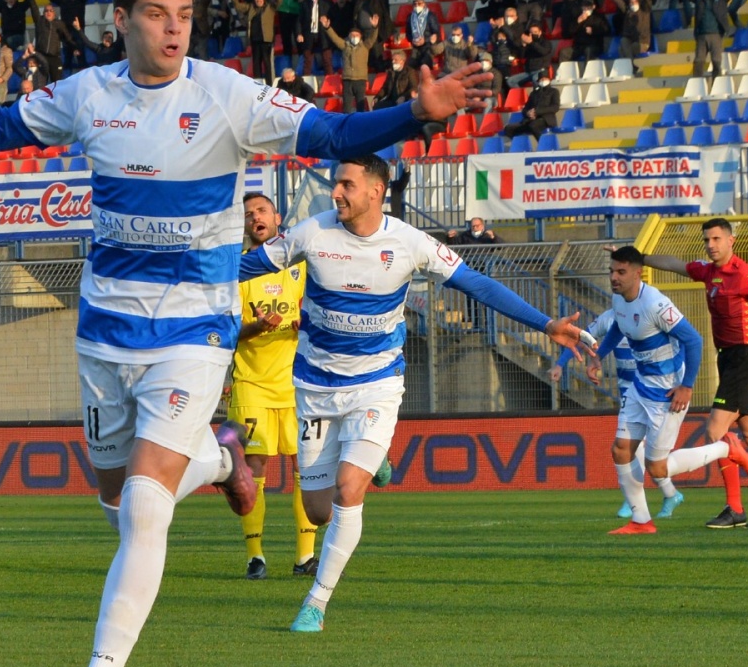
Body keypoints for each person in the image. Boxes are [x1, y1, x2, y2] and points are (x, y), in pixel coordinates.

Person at [0, 0, 496, 667]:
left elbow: (333, 132)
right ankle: (221, 463)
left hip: (194, 330)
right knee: (117, 503)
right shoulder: (88, 95)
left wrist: (414, 113)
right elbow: (0, 127)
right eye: (156, 12)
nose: (174, 27)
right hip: (105, 331)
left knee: (146, 508)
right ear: (121, 21)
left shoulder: (228, 96)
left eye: (184, 13)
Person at [239, 155, 590, 629]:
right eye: (335, 184)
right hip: (316, 385)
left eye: (346, 184)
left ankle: (316, 602)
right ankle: (374, 460)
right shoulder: (311, 234)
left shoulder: (410, 242)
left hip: (377, 382)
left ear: (375, 191)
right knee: (318, 511)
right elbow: (242, 268)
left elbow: (477, 284)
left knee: (348, 490)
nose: (336, 193)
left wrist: (546, 323)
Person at [627, 219, 748, 528]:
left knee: (715, 431)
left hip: (745, 357)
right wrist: (639, 258)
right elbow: (674, 264)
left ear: (731, 240)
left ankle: (735, 508)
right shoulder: (707, 271)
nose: (711, 245)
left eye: (716, 239)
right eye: (707, 240)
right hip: (727, 357)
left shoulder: (747, 275)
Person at [593, 247, 748, 536]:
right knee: (620, 449)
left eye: (621, 272)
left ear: (637, 272)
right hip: (642, 384)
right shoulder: (619, 298)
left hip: (667, 392)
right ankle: (641, 521)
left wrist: (687, 386)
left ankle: (726, 447)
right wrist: (599, 355)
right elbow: (619, 325)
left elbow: (693, 340)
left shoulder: (656, 303)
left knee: (657, 469)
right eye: (611, 271)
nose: (614, 278)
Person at [230, 193, 317, 580]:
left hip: (297, 383)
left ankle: (305, 557)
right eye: (249, 214)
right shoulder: (238, 272)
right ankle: (255, 556)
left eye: (261, 211)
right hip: (251, 382)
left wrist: (308, 324)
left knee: (308, 467)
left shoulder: (299, 267)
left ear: (277, 218)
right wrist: (255, 327)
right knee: (253, 469)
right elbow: (225, 330)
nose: (255, 218)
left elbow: (319, 311)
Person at [665, 0, 728, 79]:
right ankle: (697, 83)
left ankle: (717, 83)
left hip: (716, 34)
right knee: (699, 61)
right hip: (701, 36)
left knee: (717, 61)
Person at [322, 16, 371, 113]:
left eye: (356, 35)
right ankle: (346, 124)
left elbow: (373, 37)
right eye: (352, 35)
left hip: (360, 80)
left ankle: (360, 124)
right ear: (349, 36)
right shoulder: (345, 45)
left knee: (360, 105)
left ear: (360, 36)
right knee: (346, 107)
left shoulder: (365, 46)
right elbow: (335, 38)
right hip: (347, 80)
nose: (354, 37)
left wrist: (375, 27)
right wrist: (328, 28)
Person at [502, 70, 559, 140]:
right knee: (508, 128)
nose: (543, 80)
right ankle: (519, 146)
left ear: (549, 80)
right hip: (529, 120)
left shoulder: (554, 91)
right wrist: (528, 113)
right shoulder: (534, 93)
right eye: (541, 79)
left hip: (545, 119)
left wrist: (536, 112)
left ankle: (544, 144)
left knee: (533, 126)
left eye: (545, 79)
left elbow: (555, 107)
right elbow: (526, 107)